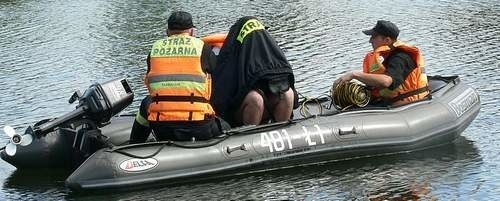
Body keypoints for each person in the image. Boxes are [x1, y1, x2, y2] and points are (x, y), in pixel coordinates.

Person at [129, 11, 224, 143]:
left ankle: (134, 144)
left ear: (167, 32)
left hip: (162, 128)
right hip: (199, 127)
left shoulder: (155, 50)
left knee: (147, 102)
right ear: (192, 32)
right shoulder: (204, 49)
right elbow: (220, 79)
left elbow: (150, 84)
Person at [210, 16, 297, 127]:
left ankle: (281, 131)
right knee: (255, 98)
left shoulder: (271, 55)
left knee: (287, 93)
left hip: (267, 107)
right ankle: (250, 135)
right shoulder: (231, 59)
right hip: (242, 111)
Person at [335, 20, 429, 106]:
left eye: (374, 37)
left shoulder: (400, 58)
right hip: (388, 100)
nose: (370, 40)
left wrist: (354, 75)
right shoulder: (387, 57)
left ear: (387, 40)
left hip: (406, 104)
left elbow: (386, 81)